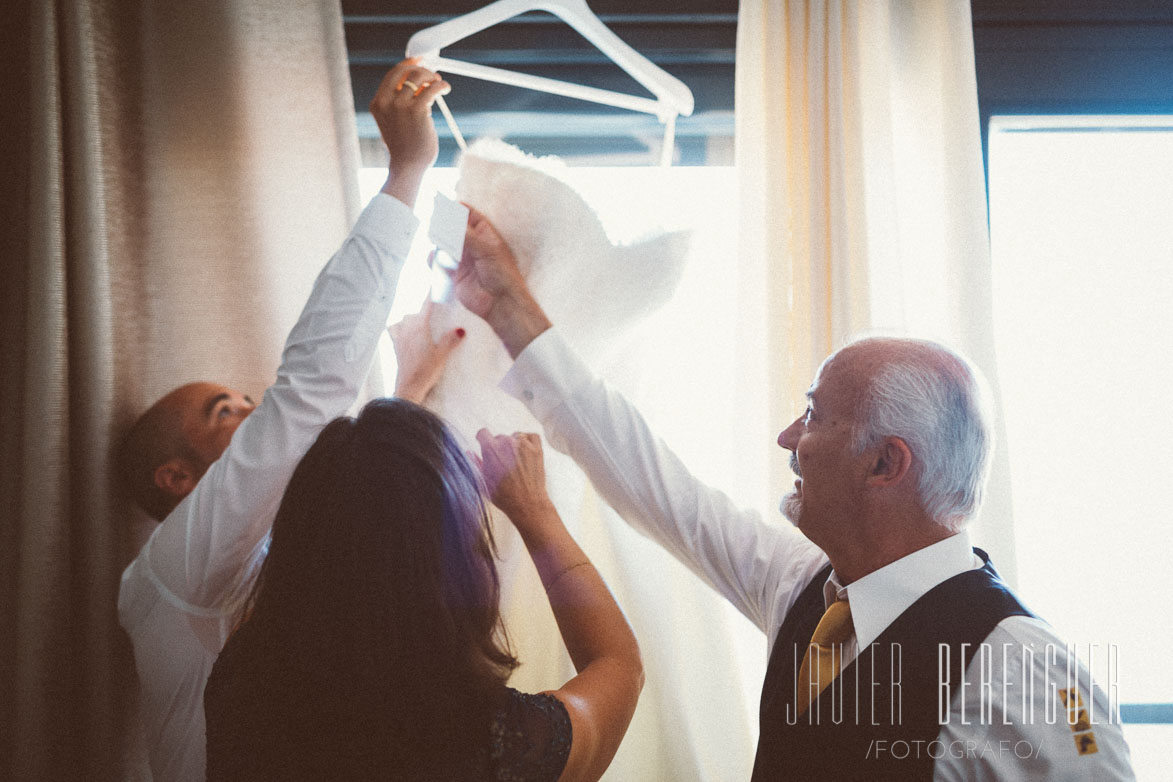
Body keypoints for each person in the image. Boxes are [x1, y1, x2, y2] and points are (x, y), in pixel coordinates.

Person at [443, 208, 1135, 780]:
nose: (785, 438)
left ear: (884, 464)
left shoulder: (1033, 672)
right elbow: (658, 488)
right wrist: (506, 307)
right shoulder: (799, 585)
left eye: (812, 415)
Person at [116, 59, 462, 782]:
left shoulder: (277, 551)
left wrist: (408, 391)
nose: (253, 407)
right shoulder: (173, 576)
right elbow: (308, 391)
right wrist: (406, 172)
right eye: (227, 413)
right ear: (177, 476)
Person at [202, 400, 643, 782]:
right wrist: (535, 512)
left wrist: (397, 424)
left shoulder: (242, 681)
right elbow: (619, 664)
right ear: (457, 578)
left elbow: (358, 543)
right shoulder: (495, 747)